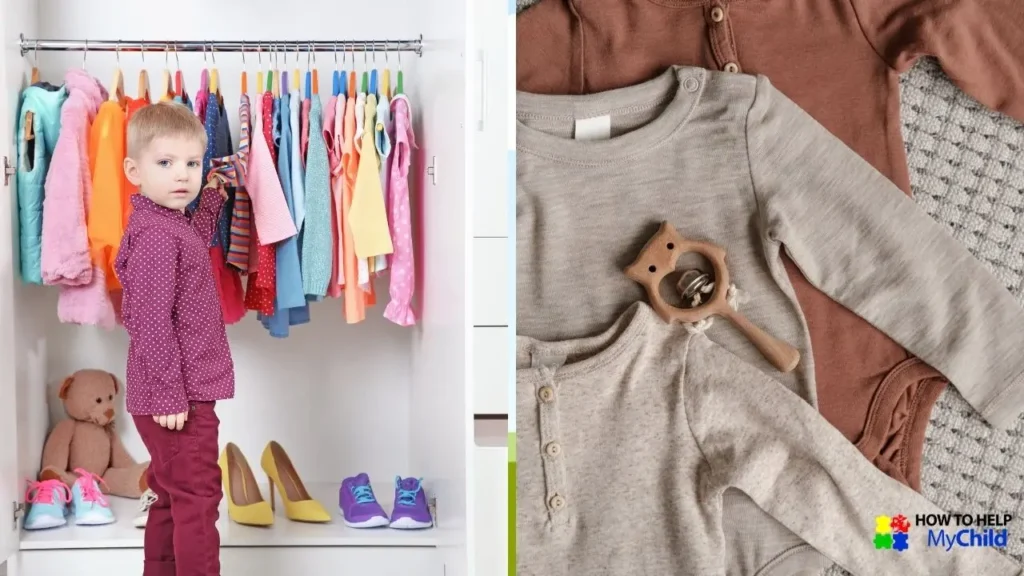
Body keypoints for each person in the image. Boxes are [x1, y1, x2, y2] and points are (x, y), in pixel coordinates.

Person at [114, 101, 234, 576]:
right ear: (134, 171)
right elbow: (149, 320)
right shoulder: (157, 236)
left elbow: (191, 246)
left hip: (175, 393)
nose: (182, 174)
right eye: (165, 163)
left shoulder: (167, 223)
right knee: (197, 499)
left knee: (171, 494)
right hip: (179, 396)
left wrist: (213, 199)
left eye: (191, 163)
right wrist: (169, 393)